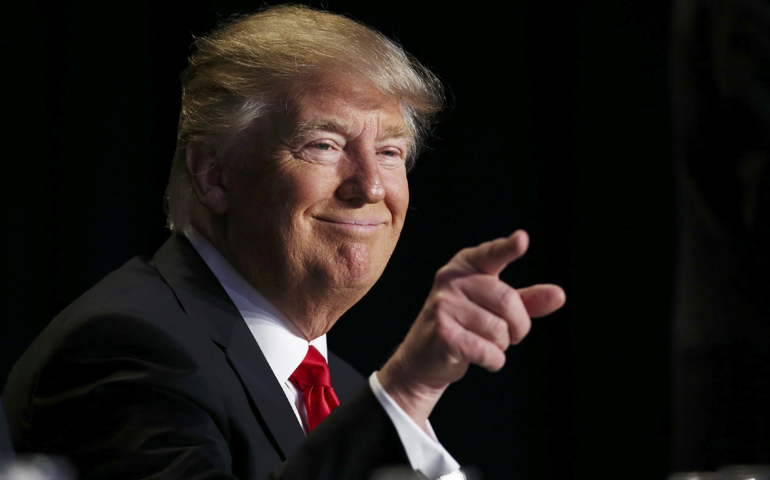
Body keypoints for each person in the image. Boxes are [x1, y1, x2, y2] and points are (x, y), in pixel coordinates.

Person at [1, 5, 565, 480]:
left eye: (391, 152)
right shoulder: (126, 347)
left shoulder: (339, 390)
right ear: (213, 175)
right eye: (323, 144)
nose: (370, 185)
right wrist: (407, 391)